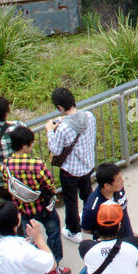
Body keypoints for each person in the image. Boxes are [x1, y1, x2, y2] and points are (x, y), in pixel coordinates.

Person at [2, 125, 72, 274]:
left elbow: (6, 184)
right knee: (52, 233)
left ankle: (34, 263)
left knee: (30, 236)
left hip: (23, 209)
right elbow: (49, 183)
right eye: (31, 142)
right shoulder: (36, 164)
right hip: (43, 207)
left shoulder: (6, 164)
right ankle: (55, 265)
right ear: (25, 145)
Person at [47, 87, 95, 245]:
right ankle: (92, 222)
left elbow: (55, 149)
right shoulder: (89, 116)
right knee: (88, 194)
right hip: (87, 166)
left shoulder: (63, 128)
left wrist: (49, 131)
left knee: (71, 201)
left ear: (59, 108)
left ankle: (74, 231)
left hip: (70, 171)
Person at [82, 162, 134, 239]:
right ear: (107, 186)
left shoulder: (119, 188)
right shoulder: (92, 208)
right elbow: (86, 229)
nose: (122, 181)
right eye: (118, 180)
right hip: (108, 243)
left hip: (126, 233)